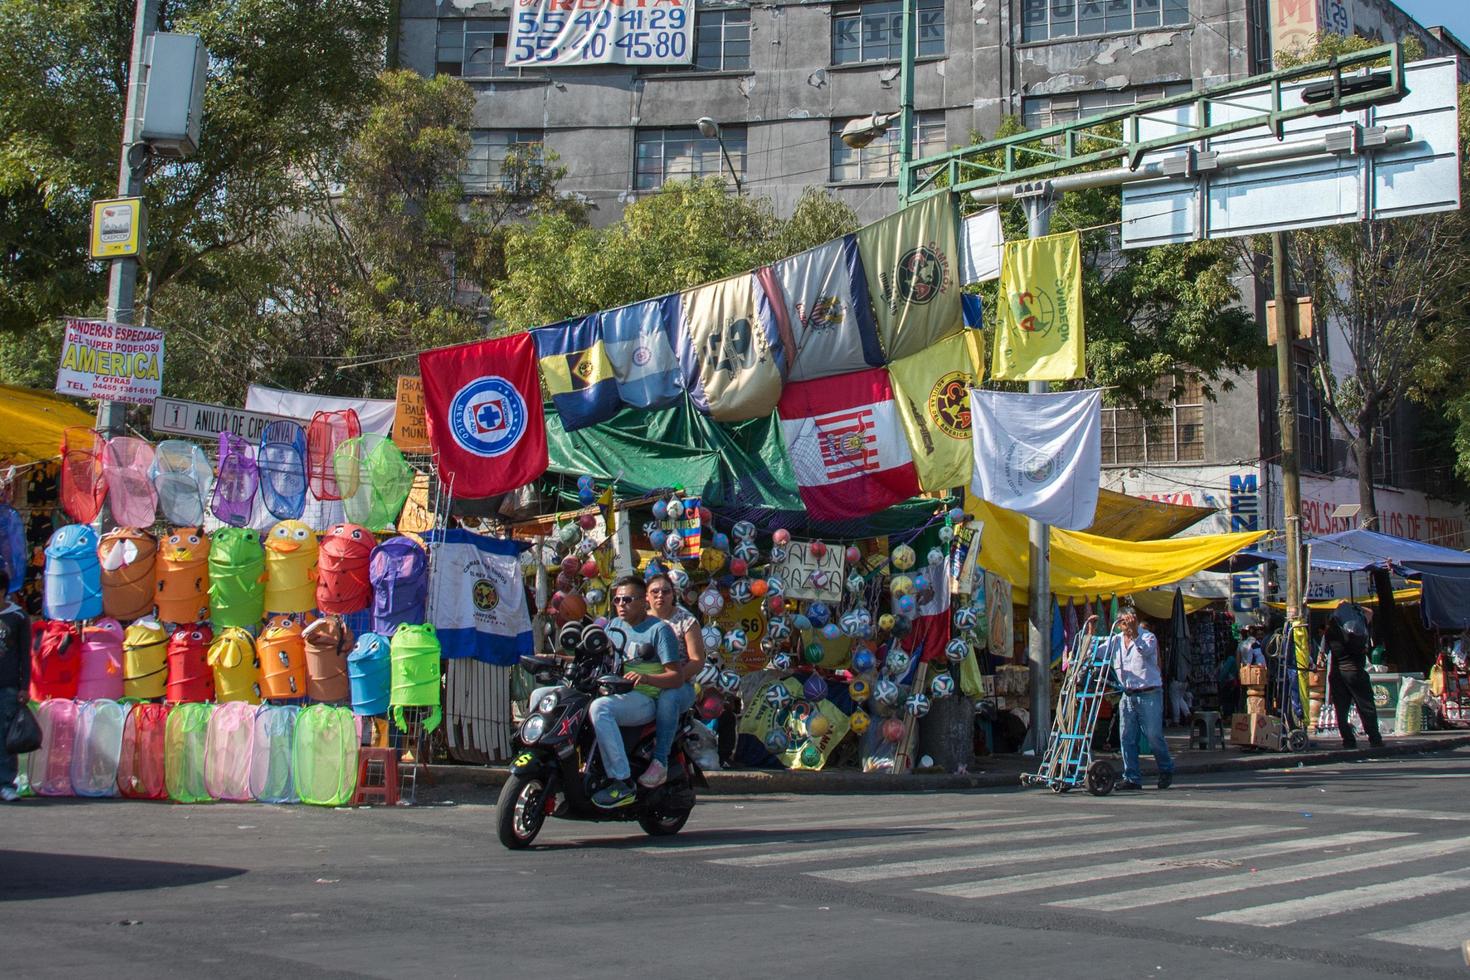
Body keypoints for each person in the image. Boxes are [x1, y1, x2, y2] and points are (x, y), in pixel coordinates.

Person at [589, 576, 685, 808]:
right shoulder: (613, 627)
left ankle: (621, 781)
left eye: (628, 599)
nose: (621, 604)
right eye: (617, 599)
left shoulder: (659, 630)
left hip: (645, 697)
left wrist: (646, 678)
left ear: (644, 602)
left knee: (600, 709)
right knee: (545, 696)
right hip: (614, 691)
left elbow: (676, 676)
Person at [1093, 609, 1175, 790]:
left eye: (1128, 621)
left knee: (1153, 735)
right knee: (1126, 737)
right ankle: (1131, 777)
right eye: (1122, 622)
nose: (1125, 626)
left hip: (1149, 693)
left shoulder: (1148, 637)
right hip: (1128, 693)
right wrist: (1089, 633)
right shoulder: (1115, 641)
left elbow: (1145, 651)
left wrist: (1135, 633)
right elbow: (1096, 652)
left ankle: (1166, 768)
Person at [642, 573, 704, 789]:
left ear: (673, 595)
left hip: (679, 686)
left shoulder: (686, 621)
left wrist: (672, 678)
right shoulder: (640, 620)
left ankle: (660, 761)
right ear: (646, 597)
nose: (660, 596)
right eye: (655, 591)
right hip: (644, 682)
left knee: (668, 698)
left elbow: (697, 661)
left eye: (665, 591)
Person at [1323, 601, 1383, 749]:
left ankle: (1348, 740)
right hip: (1355, 671)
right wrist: (1355, 606)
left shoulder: (1331, 631)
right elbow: (1369, 613)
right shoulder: (1357, 631)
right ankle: (1374, 738)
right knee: (1366, 706)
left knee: (1341, 710)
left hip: (1337, 673)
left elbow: (1324, 652)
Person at [0, 569, 32, 802]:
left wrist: (24, 686)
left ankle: (5, 783)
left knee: (6, 738)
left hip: (8, 686)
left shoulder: (18, 616)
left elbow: (25, 654)